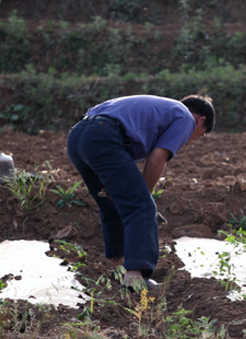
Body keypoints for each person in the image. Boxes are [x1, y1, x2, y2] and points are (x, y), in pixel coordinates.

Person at [67, 94, 215, 290]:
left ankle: (118, 266)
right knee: (141, 206)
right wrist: (145, 198)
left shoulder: (163, 110)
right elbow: (156, 159)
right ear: (201, 121)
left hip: (78, 136)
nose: (189, 140)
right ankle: (136, 276)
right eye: (200, 135)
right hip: (103, 136)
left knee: (111, 204)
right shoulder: (186, 118)